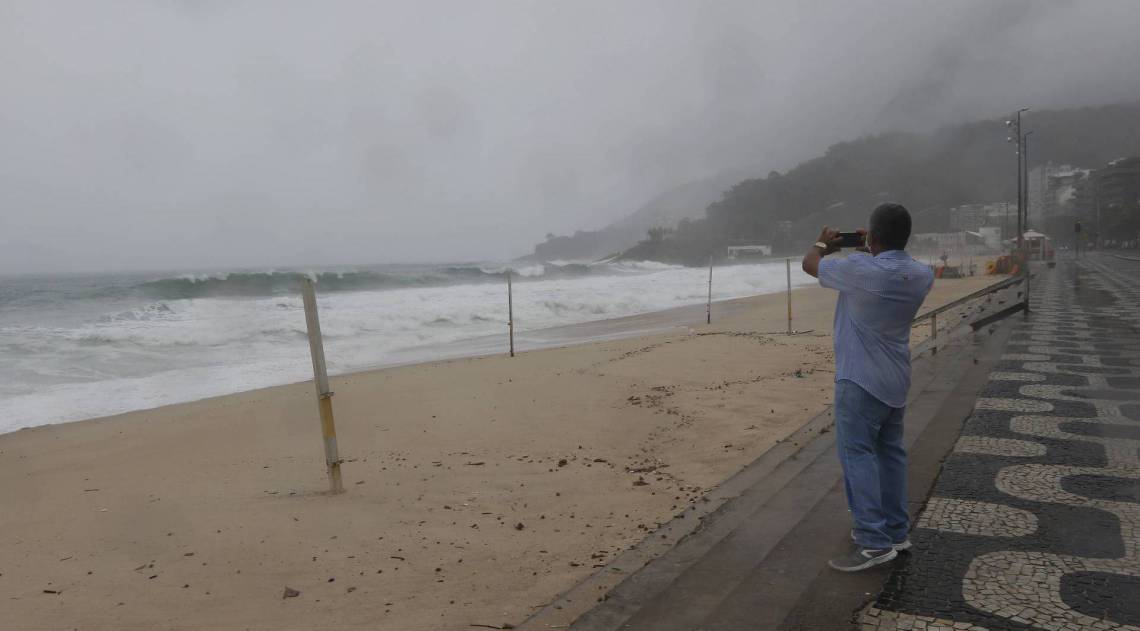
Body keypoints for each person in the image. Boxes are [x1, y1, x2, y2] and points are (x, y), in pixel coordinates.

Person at [801, 203, 934, 572]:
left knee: (857, 456)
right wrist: (872, 247)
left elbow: (810, 264)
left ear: (872, 237)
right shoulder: (923, 274)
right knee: (891, 455)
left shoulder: (860, 270)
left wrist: (823, 243)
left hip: (859, 380)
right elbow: (884, 270)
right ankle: (896, 531)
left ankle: (873, 542)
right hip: (896, 380)